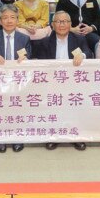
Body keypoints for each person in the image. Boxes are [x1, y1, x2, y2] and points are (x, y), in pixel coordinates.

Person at [31, 11, 91, 150]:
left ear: (70, 24)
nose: (62, 24)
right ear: (52, 25)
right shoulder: (45, 42)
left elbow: (88, 52)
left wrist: (82, 55)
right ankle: (54, 136)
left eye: (65, 22)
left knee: (75, 106)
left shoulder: (79, 39)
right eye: (58, 21)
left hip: (74, 83)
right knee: (53, 107)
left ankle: (76, 136)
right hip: (52, 84)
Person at [0, 6, 32, 153]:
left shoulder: (24, 38)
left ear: (17, 20)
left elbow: (30, 59)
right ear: (0, 21)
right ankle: (0, 136)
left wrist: (25, 59)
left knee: (18, 105)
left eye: (12, 17)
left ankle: (17, 136)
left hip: (18, 81)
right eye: (5, 17)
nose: (9, 21)